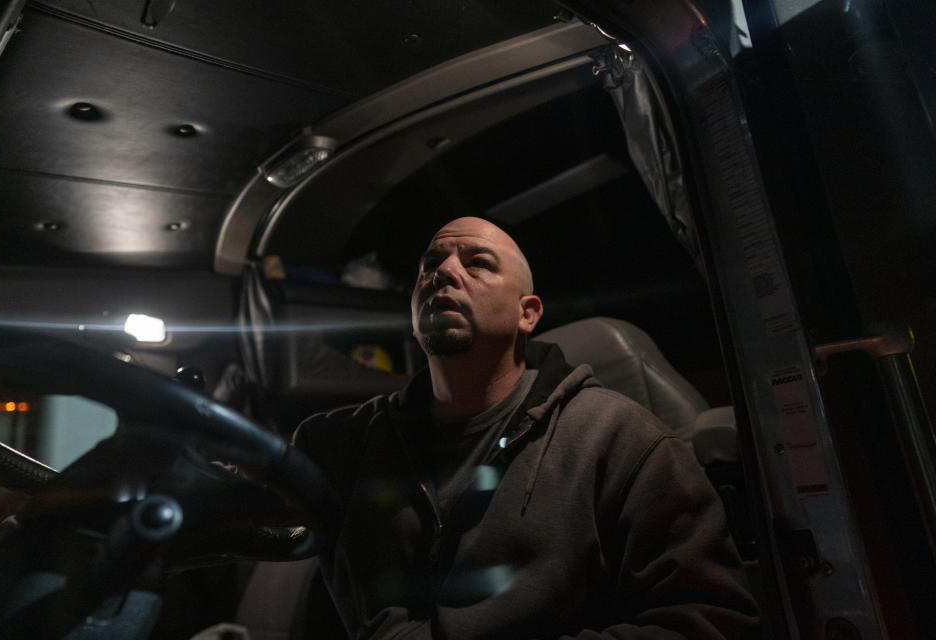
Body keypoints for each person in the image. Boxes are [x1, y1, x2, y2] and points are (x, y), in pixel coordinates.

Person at [293, 217, 759, 639]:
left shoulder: (618, 439)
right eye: (431, 263)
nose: (444, 272)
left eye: (478, 264)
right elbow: (242, 508)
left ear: (528, 313)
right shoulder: (343, 443)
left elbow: (711, 621)